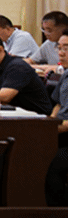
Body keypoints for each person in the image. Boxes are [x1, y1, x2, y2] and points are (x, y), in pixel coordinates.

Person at [42, 30, 68, 205]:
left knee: (50, 165)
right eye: (59, 48)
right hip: (59, 132)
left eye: (66, 48)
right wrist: (50, 122)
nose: (61, 53)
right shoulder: (65, 73)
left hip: (64, 134)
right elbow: (58, 103)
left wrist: (53, 129)